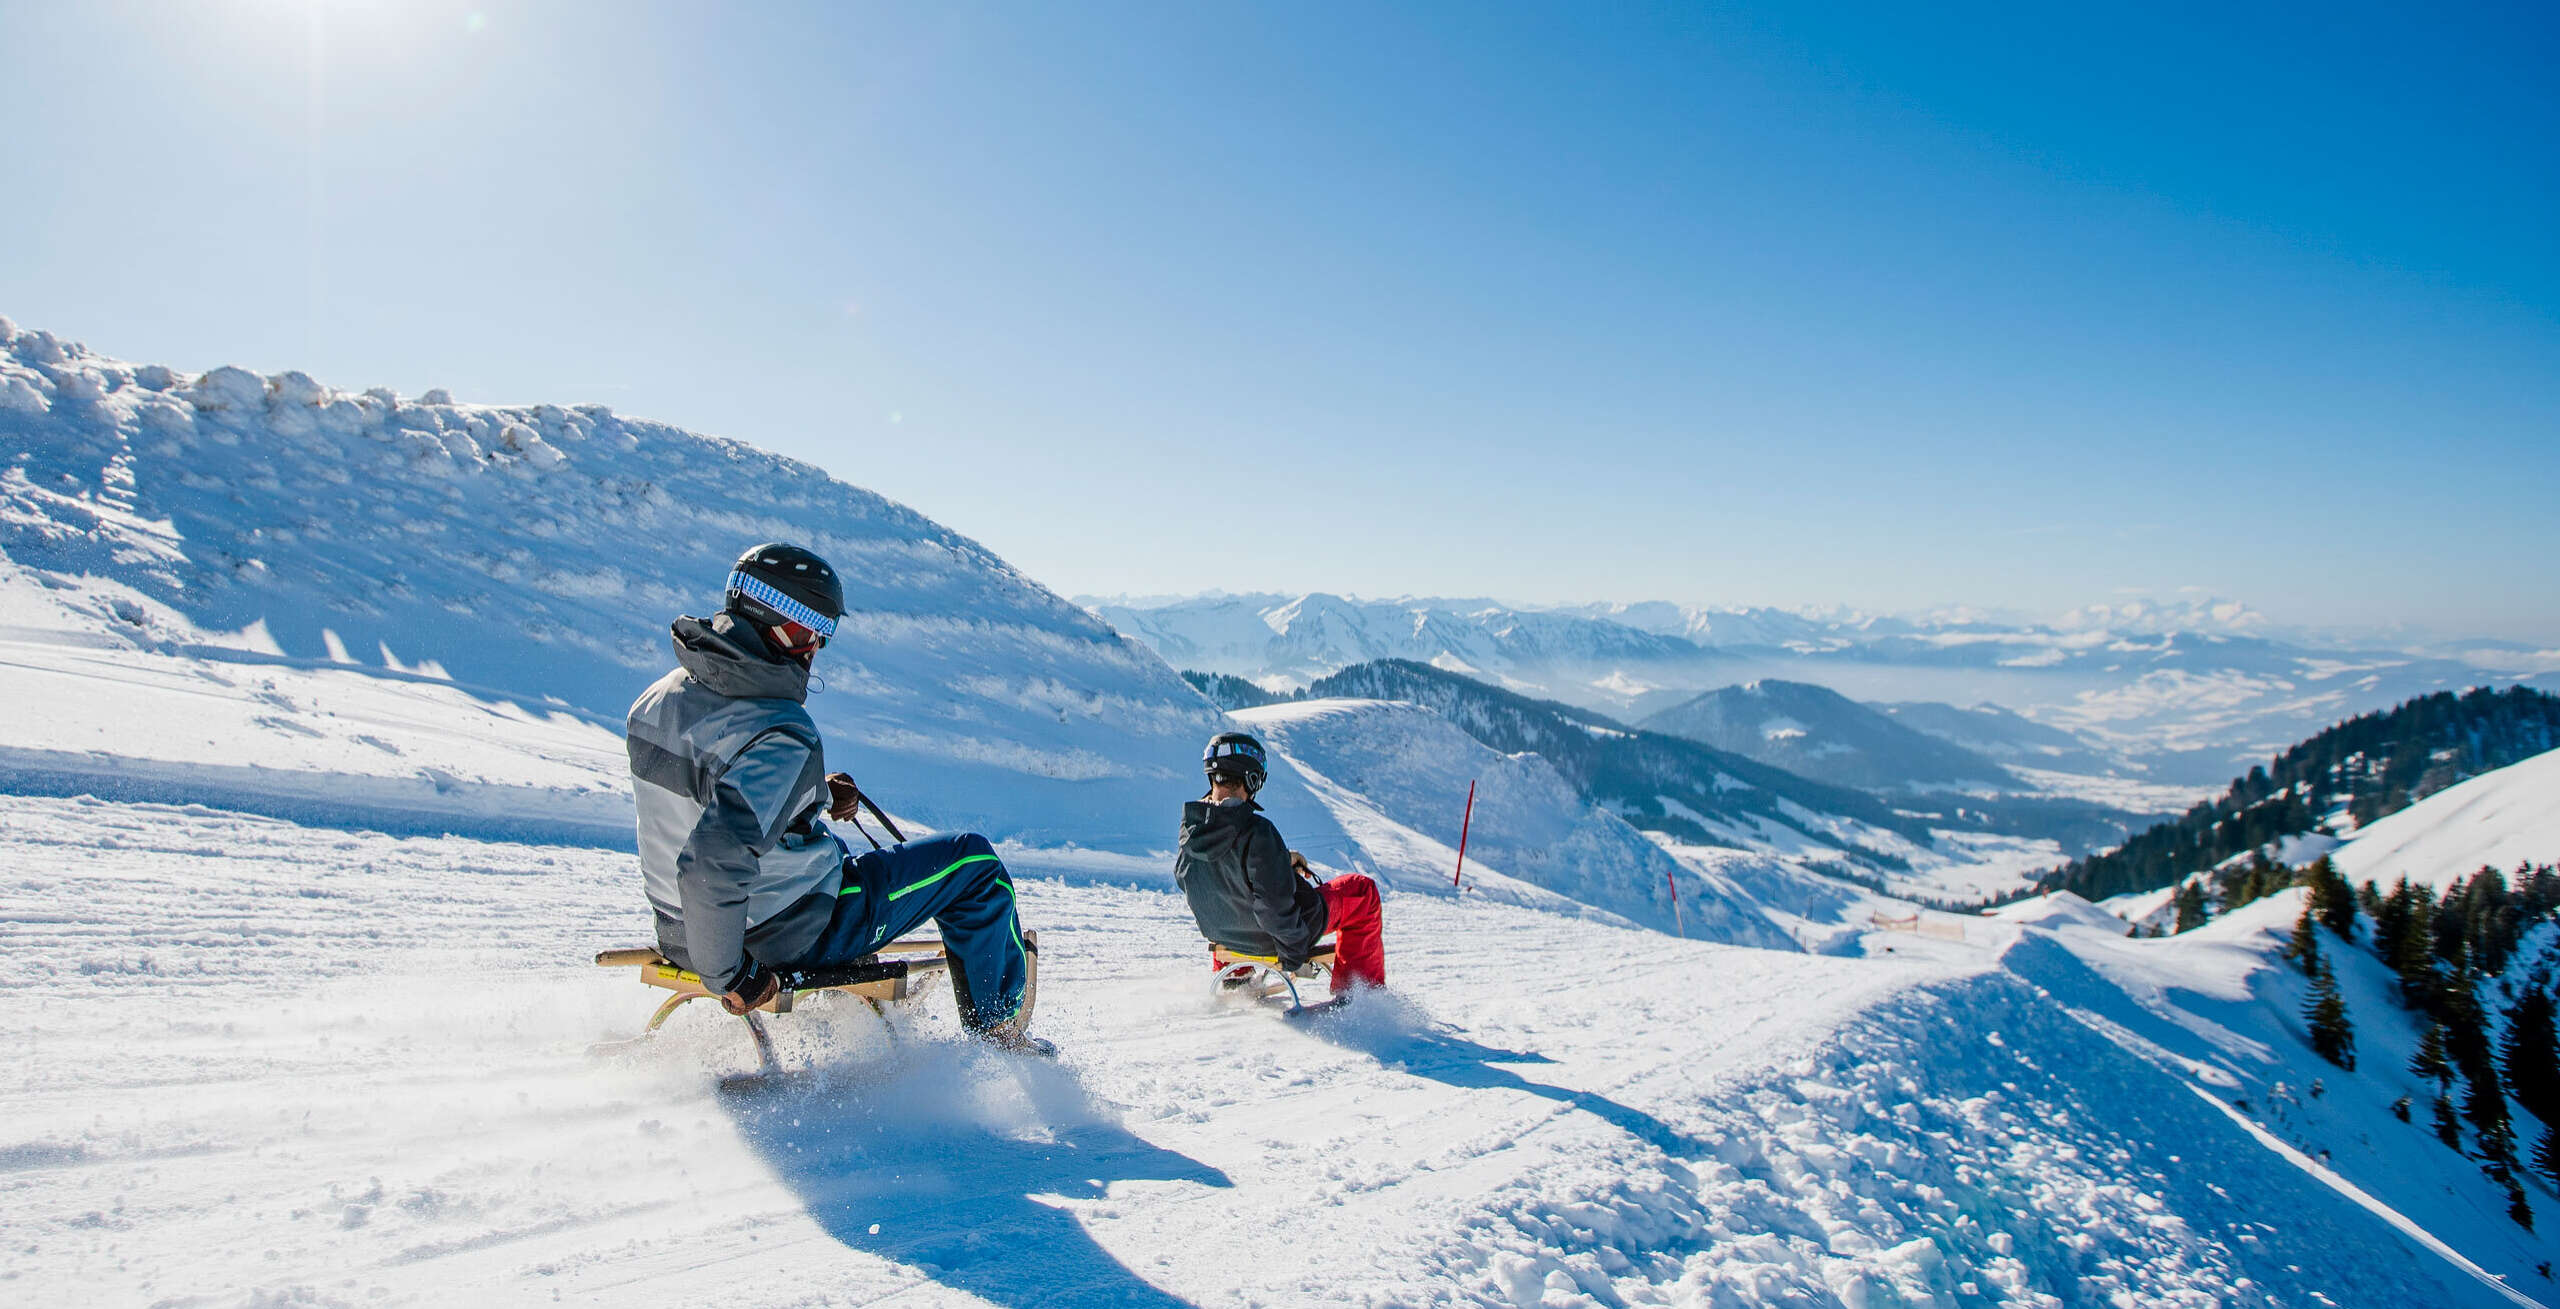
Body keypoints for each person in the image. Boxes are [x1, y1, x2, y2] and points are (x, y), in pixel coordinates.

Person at [624, 542, 1048, 1053]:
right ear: (770, 620)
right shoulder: (782, 733)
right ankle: (1001, 1037)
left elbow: (709, 793)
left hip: (680, 929)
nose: (816, 646)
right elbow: (712, 861)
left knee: (839, 855)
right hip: (774, 934)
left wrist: (815, 794)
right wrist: (732, 976)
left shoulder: (660, 697)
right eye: (809, 629)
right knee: (973, 862)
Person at [1172, 731, 1385, 997]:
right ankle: (1360, 997)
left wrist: (1280, 861)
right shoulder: (1257, 831)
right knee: (1361, 890)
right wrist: (1294, 955)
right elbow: (1273, 908)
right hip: (1274, 939)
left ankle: (1238, 978)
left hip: (1224, 934)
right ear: (1251, 778)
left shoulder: (1191, 828)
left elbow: (1202, 876)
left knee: (1226, 894)